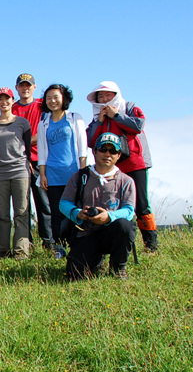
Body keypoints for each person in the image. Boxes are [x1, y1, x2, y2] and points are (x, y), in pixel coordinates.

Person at [85, 81, 158, 253]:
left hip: (135, 162)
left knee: (141, 203)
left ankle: (151, 243)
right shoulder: (97, 117)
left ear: (116, 95)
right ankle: (121, 243)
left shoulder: (128, 107)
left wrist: (116, 116)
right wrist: (100, 121)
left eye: (107, 95)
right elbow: (90, 141)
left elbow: (139, 125)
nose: (104, 99)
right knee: (114, 204)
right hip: (109, 166)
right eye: (100, 97)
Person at [60, 133, 136, 280]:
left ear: (118, 155)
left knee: (124, 225)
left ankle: (118, 268)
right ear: (94, 151)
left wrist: (109, 217)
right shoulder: (80, 176)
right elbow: (63, 203)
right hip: (86, 233)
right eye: (103, 149)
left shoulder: (126, 181)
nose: (107, 154)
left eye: (112, 151)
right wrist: (77, 213)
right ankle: (96, 261)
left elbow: (129, 211)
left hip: (112, 231)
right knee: (75, 274)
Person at [37, 84, 87, 258]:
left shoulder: (75, 118)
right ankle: (59, 247)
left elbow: (82, 147)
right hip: (52, 173)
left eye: (56, 97)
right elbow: (42, 151)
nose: (52, 101)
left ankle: (77, 244)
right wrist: (42, 174)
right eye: (49, 97)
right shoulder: (43, 123)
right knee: (56, 213)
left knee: (75, 210)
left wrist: (83, 171)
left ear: (64, 98)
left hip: (73, 172)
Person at [0, 87, 32, 259]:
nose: (4, 102)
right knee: (2, 215)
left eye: (7, 98)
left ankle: (21, 251)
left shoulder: (23, 123)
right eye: (0, 99)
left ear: (13, 101)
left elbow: (27, 147)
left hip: (20, 171)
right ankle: (3, 251)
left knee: (21, 212)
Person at [12, 74, 54, 251]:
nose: (25, 88)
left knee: (44, 204)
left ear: (34, 87)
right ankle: (25, 243)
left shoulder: (42, 106)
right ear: (17, 88)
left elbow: (45, 132)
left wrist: (25, 143)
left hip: (41, 161)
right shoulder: (12, 108)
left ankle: (49, 242)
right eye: (22, 86)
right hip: (19, 162)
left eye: (28, 85)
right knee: (22, 206)